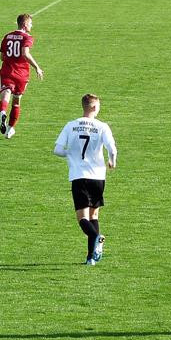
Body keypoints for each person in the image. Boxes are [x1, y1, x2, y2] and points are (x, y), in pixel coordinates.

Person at [53, 94, 117, 265]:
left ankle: (97, 238)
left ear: (84, 106)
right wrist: (112, 161)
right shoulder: (102, 126)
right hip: (98, 176)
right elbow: (112, 148)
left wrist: (70, 154)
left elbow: (57, 150)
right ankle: (90, 258)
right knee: (94, 215)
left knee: (82, 218)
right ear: (95, 107)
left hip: (79, 175)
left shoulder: (71, 125)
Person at [0, 13, 43, 139]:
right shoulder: (27, 37)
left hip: (7, 71)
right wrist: (37, 67)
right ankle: (10, 129)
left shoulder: (7, 36)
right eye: (30, 23)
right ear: (24, 24)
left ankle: (2, 112)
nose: (32, 26)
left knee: (6, 93)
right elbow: (25, 53)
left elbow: (2, 57)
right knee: (16, 101)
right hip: (22, 74)